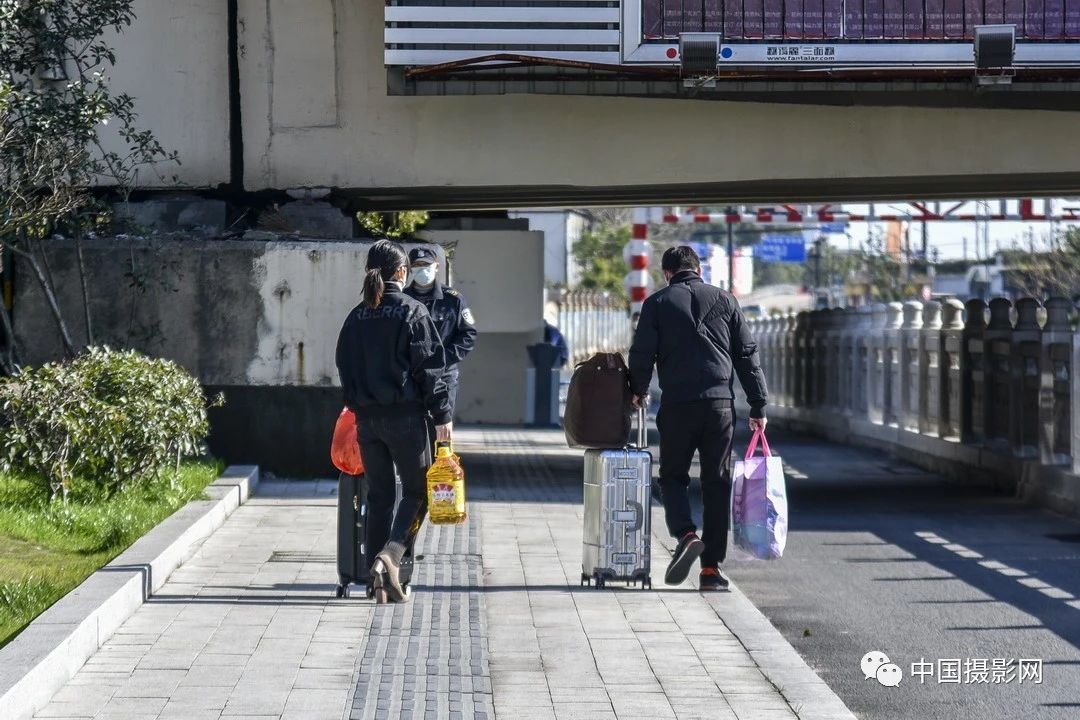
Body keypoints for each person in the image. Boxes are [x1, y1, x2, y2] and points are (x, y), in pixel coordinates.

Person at [628, 245, 768, 592]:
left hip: (677, 405)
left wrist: (638, 390)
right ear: (700, 270)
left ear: (667, 273)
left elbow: (642, 353)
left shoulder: (657, 304)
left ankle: (686, 532)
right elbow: (746, 356)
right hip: (720, 405)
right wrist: (758, 404)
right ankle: (710, 570)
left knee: (673, 476)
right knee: (716, 482)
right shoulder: (726, 301)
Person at [335, 239, 453, 603]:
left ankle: (378, 583)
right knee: (418, 494)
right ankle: (392, 554)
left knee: (381, 496)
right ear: (402, 272)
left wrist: (359, 404)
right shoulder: (413, 312)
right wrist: (442, 416)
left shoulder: (355, 316)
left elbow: (344, 367)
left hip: (367, 422)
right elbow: (431, 369)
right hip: (406, 419)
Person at [404, 246, 478, 416]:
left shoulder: (453, 300)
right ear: (410, 269)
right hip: (411, 377)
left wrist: (444, 359)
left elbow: (468, 334)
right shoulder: (403, 300)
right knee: (414, 430)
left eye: (426, 264)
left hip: (444, 377)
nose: (422, 269)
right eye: (417, 265)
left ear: (436, 267)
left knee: (442, 431)